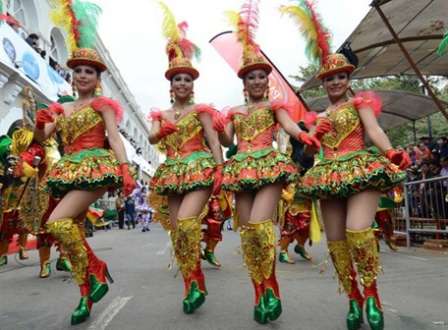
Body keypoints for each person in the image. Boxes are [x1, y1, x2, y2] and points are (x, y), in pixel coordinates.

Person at [282, 2, 411, 329]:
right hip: (327, 175)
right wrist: (312, 137)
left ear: (348, 78)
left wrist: (391, 151)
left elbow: (375, 131)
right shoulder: (317, 116)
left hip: (359, 169)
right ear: (323, 83)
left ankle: (373, 296)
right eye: (329, 78)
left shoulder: (359, 103)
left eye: (340, 76)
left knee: (358, 232)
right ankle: (354, 298)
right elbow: (306, 154)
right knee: (337, 242)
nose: (335, 82)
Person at [214, 2, 320, 324]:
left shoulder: (276, 106)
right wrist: (220, 130)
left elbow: (290, 128)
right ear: (244, 83)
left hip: (269, 167)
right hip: (241, 168)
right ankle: (259, 290)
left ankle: (271, 287)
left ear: (266, 80)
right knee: (248, 235)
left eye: (261, 76)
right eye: (252, 77)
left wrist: (305, 137)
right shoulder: (233, 110)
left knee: (260, 228)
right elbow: (227, 142)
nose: (257, 81)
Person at [34, 1, 135, 325]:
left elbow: (115, 137)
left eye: (88, 71)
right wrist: (38, 124)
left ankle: (96, 270)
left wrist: (124, 169)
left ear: (97, 77)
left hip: (94, 169)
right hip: (67, 169)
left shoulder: (103, 104)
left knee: (57, 223)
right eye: (77, 71)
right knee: (70, 231)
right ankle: (86, 292)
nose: (82, 76)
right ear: (72, 74)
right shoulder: (62, 108)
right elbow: (42, 138)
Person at [148, 3, 223, 315]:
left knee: (190, 223)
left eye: (187, 79)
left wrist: (220, 168)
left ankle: (195, 280)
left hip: (200, 168)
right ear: (171, 84)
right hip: (173, 171)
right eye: (177, 79)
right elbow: (152, 137)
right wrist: (161, 130)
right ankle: (193, 284)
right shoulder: (161, 113)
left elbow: (214, 139)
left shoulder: (201, 110)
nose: (182, 84)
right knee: (178, 231)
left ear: (193, 84)